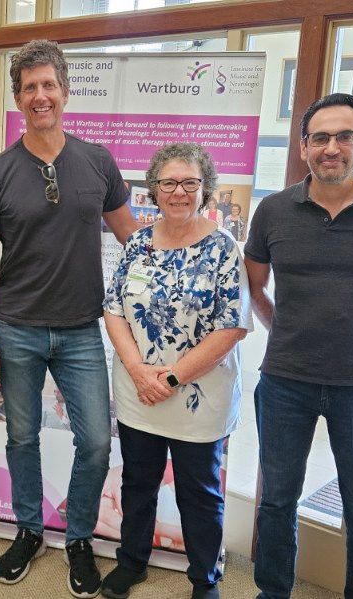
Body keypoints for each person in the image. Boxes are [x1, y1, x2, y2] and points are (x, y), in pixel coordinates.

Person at [0, 39, 137, 597]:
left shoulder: (98, 161)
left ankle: (80, 537)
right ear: (18, 99)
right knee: (22, 438)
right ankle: (28, 530)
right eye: (29, 88)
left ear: (65, 92)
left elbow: (133, 239)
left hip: (81, 329)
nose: (40, 96)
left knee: (96, 444)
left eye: (48, 85)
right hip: (15, 327)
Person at [245, 93, 353, 599]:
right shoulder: (273, 211)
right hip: (285, 382)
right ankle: (273, 592)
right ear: (303, 147)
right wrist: (284, 330)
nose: (331, 147)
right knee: (276, 503)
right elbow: (254, 288)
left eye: (344, 136)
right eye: (320, 138)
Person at [99, 143, 251, 599]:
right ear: (154, 189)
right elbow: (113, 310)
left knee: (199, 493)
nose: (178, 191)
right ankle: (131, 561)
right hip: (138, 393)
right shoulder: (138, 243)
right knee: (137, 482)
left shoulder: (224, 249)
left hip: (198, 399)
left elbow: (231, 327)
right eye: (168, 182)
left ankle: (204, 578)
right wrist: (138, 371)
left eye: (189, 182)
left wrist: (170, 378)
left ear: (205, 189)